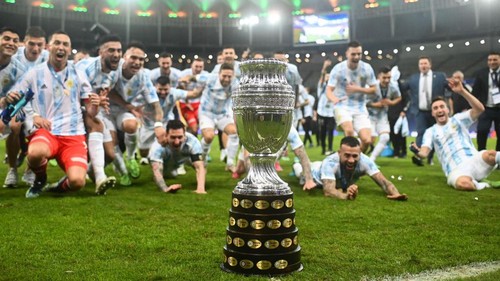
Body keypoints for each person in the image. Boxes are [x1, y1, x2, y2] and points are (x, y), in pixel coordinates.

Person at [5, 31, 103, 198]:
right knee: (35, 153)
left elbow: (91, 111)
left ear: (70, 49)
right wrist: (33, 115)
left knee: (78, 182)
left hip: (73, 135)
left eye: (65, 44)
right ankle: (40, 180)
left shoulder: (79, 74)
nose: (61, 47)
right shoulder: (35, 73)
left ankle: (58, 187)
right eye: (57, 43)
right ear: (49, 47)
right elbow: (17, 96)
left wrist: (96, 105)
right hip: (47, 130)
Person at [410, 78, 500, 191]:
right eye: (435, 108)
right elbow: (424, 152)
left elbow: (480, 109)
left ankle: (476, 179)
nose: (439, 110)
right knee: (464, 185)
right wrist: (417, 152)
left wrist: (462, 91)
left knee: (491, 154)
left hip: (474, 160)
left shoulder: (458, 119)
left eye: (442, 106)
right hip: (456, 170)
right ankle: (483, 184)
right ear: (432, 113)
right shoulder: (430, 131)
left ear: (448, 110)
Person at [105, 41, 164, 186]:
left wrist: (158, 125)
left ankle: (131, 158)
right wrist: (129, 106)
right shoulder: (114, 69)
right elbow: (108, 92)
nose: (137, 62)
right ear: (124, 56)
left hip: (123, 111)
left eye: (141, 59)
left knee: (132, 125)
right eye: (133, 58)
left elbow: (156, 105)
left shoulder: (143, 77)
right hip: (104, 110)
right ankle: (124, 173)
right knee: (113, 144)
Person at [76, 34, 122, 193]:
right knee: (96, 125)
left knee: (110, 155)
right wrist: (94, 103)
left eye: (119, 50)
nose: (116, 54)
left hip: (95, 108)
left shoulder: (115, 70)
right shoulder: (85, 68)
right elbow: (78, 95)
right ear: (100, 52)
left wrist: (102, 99)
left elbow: (106, 89)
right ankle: (100, 177)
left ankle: (90, 172)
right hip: (75, 107)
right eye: (111, 50)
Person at [295, 136, 408, 200]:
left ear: (360, 153)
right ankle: (296, 166)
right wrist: (346, 196)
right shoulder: (330, 162)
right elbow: (328, 191)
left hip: (331, 175)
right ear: (339, 153)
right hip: (315, 176)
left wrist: (396, 194)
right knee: (300, 170)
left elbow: (384, 182)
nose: (351, 160)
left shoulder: (365, 161)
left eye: (355, 156)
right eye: (347, 155)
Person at [326, 41, 377, 152]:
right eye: (353, 54)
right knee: (349, 132)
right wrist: (334, 99)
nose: (357, 56)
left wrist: (358, 89)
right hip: (342, 105)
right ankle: (348, 161)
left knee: (367, 140)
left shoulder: (367, 68)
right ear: (347, 54)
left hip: (360, 107)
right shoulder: (338, 69)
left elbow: (374, 89)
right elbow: (329, 90)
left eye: (359, 54)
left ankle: (355, 161)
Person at [401, 56, 447, 166]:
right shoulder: (414, 78)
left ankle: (430, 157)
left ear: (430, 65)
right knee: (421, 133)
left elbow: (450, 87)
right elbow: (402, 88)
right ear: (418, 66)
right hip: (420, 111)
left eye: (425, 63)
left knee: (435, 135)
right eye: (421, 64)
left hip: (435, 112)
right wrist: (395, 80)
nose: (423, 66)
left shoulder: (440, 77)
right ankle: (419, 156)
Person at [199, 62, 239, 172]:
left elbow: (236, 105)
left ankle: (230, 163)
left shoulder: (236, 84)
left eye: (229, 76)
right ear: (219, 74)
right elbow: (193, 77)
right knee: (209, 137)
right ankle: (202, 162)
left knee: (234, 132)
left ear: (233, 75)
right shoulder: (209, 79)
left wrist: (236, 122)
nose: (226, 79)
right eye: (224, 76)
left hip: (222, 114)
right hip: (206, 113)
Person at [0, 27, 27, 189]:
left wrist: (9, 109)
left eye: (15, 41)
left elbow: (22, 98)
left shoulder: (19, 69)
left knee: (15, 125)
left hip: (9, 107)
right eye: (6, 39)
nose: (10, 43)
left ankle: (13, 169)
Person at [148, 119, 206, 194]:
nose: (176, 142)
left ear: (184, 135)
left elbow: (199, 167)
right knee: (170, 175)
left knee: (203, 165)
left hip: (185, 157)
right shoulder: (157, 146)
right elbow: (157, 171)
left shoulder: (193, 141)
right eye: (173, 137)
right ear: (166, 135)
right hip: (167, 162)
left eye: (180, 137)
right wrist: (165, 189)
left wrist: (200, 189)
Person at [366, 66, 402, 162]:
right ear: (379, 76)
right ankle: (358, 155)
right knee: (369, 139)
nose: (387, 80)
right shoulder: (372, 86)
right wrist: (375, 104)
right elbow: (363, 102)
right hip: (369, 116)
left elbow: (399, 97)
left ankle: (371, 160)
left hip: (382, 116)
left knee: (385, 137)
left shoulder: (393, 86)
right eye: (384, 78)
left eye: (388, 77)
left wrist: (391, 103)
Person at [471, 51, 500, 152]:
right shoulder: (481, 73)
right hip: (485, 108)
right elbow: (475, 92)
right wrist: (474, 107)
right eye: (490, 60)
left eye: (495, 59)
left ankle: (498, 158)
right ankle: (481, 155)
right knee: (482, 131)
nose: (492, 62)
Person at [178, 58, 209, 135]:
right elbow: (179, 90)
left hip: (199, 103)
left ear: (203, 67)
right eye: (196, 66)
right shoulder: (183, 74)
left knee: (203, 126)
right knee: (193, 127)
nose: (198, 69)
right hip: (185, 104)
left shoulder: (206, 75)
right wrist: (187, 102)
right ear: (191, 65)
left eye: (200, 67)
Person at [317, 60, 336, 155]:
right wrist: (324, 67)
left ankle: (330, 148)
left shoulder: (334, 88)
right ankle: (323, 148)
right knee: (323, 131)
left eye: (330, 77)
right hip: (322, 112)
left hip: (331, 113)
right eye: (327, 77)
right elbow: (322, 76)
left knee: (331, 131)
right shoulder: (321, 86)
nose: (328, 78)